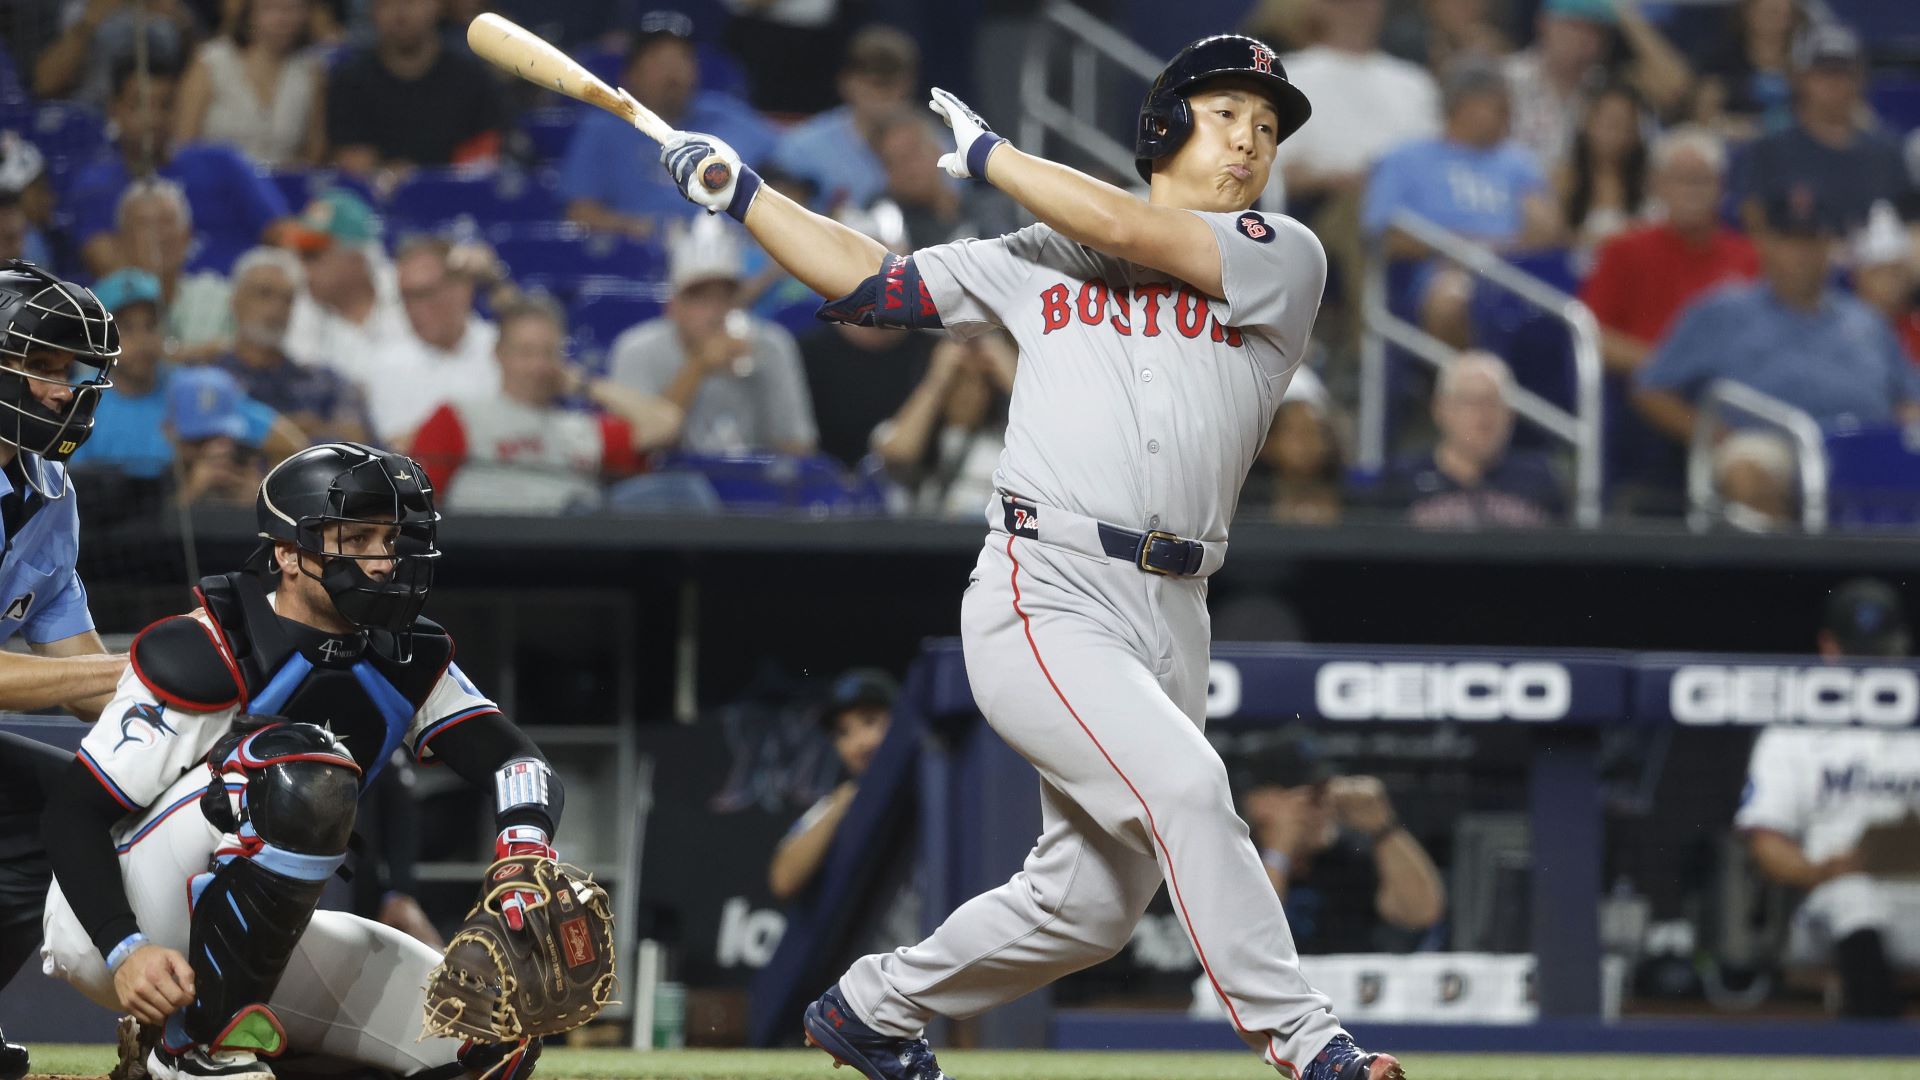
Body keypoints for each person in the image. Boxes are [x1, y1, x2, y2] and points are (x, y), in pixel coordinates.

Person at [658, 31, 1404, 1080]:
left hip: (1176, 604)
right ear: (1165, 125)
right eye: (1228, 114)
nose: (1250, 141)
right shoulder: (1038, 257)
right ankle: (1310, 1044)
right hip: (1045, 584)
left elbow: (1130, 226)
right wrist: (745, 196)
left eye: (1268, 127)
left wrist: (994, 161)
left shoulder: (1283, 252)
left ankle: (872, 1008)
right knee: (1188, 790)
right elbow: (875, 282)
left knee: (1094, 906)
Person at [38, 442, 565, 1080]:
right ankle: (196, 1050)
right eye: (358, 537)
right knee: (301, 764)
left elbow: (515, 760)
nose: (383, 557)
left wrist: (525, 847)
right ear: (288, 553)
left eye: (392, 538)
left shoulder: (407, 657)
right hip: (119, 917)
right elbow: (74, 811)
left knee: (492, 1033)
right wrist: (125, 948)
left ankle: (159, 1061)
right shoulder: (208, 645)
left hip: (254, 944)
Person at [0, 260, 143, 1079]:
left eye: (71, 370)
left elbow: (88, 675)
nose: (64, 390)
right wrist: (130, 673)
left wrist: (209, 723)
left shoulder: (47, 487)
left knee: (72, 805)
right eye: (43, 366)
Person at [1736, 578, 1920, 1017]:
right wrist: (1819, 870)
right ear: (1828, 647)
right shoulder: (1793, 731)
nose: (1871, 666)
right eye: (1859, 653)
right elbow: (1766, 843)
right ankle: (1879, 1045)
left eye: (1880, 652)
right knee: (1854, 894)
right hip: (1831, 904)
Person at [1634, 189, 1920, 448]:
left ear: (1830, 249)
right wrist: (1716, 435)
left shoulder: (1867, 320)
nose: (1801, 255)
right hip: (1768, 450)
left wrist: (1904, 424)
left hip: (1865, 450)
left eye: (1812, 242)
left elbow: (1910, 395)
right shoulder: (1721, 311)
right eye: (1790, 241)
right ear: (1765, 244)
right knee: (1750, 466)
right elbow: (1652, 389)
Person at [409, 294, 680, 513]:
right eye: (525, 352)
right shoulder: (459, 417)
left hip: (577, 545)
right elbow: (413, 502)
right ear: (499, 354)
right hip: (488, 552)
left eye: (548, 353)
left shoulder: (583, 429)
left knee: (681, 490)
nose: (538, 366)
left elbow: (666, 424)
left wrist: (586, 385)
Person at [1363, 61, 1557, 348]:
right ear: (1463, 105)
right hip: (1439, 269)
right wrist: (1458, 246)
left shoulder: (1518, 163)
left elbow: (1550, 234)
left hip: (1514, 269)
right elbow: (1381, 235)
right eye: (1499, 108)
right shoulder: (1404, 158)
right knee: (1452, 299)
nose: (1509, 118)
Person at [605, 217, 817, 456]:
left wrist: (758, 376)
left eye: (725, 297)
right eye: (700, 298)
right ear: (673, 307)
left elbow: (798, 448)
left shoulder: (772, 346)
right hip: (667, 482)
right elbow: (631, 449)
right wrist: (698, 367)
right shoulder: (636, 349)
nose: (716, 311)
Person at [68, 268, 300, 484]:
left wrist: (261, 491)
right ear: (99, 336)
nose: (142, 339)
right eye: (125, 327)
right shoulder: (79, 402)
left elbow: (290, 445)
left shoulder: (195, 387)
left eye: (151, 325)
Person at [65, 58, 294, 278]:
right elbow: (110, 268)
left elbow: (283, 234)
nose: (153, 118)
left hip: (243, 301)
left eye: (165, 105)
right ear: (114, 110)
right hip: (161, 307)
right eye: (139, 105)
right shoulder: (96, 184)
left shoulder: (222, 161)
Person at [558, 10, 775, 241]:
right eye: (658, 60)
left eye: (682, 58)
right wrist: (638, 228)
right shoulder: (603, 129)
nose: (673, 71)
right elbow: (579, 213)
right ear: (630, 74)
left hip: (727, 256)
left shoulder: (727, 115)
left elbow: (787, 170)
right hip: (638, 259)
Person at [1237, 732, 1444, 954]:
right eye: (1312, 798)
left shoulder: (1348, 857)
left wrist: (1384, 828)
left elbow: (1422, 914)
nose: (1323, 808)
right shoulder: (1238, 854)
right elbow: (1249, 939)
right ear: (1259, 803)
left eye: (1326, 793)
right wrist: (1280, 849)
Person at [1578, 126, 1758, 379]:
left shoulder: (1750, 256)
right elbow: (1591, 334)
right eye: (1679, 179)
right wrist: (1668, 366)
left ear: (1721, 188)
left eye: (1701, 180)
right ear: (1658, 186)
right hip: (1644, 388)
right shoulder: (1623, 250)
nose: (1691, 191)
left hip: (1731, 387)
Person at [1735, 24, 1912, 236]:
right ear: (1799, 79)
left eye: (1843, 73)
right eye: (1823, 72)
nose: (1833, 83)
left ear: (1860, 80)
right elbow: (1754, 222)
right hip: (1797, 262)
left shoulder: (1887, 152)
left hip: (1871, 263)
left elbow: (1911, 224)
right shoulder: (1769, 149)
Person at [346, 236, 500, 446]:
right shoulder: (384, 364)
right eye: (406, 297)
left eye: (425, 294)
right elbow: (395, 449)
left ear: (461, 289)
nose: (415, 309)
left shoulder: (502, 350)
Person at [326, 0, 507, 177]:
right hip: (374, 203)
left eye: (411, 2)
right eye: (387, 2)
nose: (400, 12)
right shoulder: (350, 82)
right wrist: (386, 175)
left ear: (438, 5)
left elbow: (486, 160)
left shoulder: (472, 80)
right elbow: (351, 162)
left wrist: (426, 182)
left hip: (457, 199)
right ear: (372, 9)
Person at [1383, 350, 1564, 528]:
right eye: (1471, 402)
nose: (1484, 416)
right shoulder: (1401, 480)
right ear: (1441, 410)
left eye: (1494, 403)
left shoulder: (1538, 481)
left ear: (1511, 414)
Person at [215, 246, 374, 445]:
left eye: (287, 299)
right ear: (235, 300)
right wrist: (294, 428)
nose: (277, 308)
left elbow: (360, 443)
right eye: (264, 294)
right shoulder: (212, 378)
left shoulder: (324, 383)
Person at [768, 669, 899, 903]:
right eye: (844, 732)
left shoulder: (937, 779)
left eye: (869, 721)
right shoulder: (840, 801)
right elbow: (783, 879)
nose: (859, 743)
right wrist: (842, 805)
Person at [771, 25, 921, 212]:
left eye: (893, 85)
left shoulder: (933, 145)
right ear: (847, 82)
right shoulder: (804, 147)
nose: (884, 96)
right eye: (875, 84)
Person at [871, 333, 1015, 519]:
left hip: (990, 540)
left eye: (979, 381)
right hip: (928, 543)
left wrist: (1006, 364)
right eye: (958, 379)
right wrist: (937, 379)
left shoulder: (1009, 441)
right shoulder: (909, 430)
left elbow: (1055, 443)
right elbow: (899, 453)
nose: (968, 393)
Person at [171, 0, 326, 167]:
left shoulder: (311, 70)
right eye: (271, 8)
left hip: (282, 183)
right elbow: (183, 143)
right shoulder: (210, 63)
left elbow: (314, 151)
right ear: (250, 12)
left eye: (293, 9)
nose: (283, 19)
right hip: (217, 181)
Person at [280, 189, 408, 376]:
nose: (302, 268)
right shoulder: (295, 307)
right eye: (299, 256)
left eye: (311, 256)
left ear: (357, 257)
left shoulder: (411, 294)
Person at [113, 178, 233, 356]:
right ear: (123, 240)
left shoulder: (220, 298)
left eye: (167, 222)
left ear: (187, 235)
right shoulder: (103, 306)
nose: (159, 235)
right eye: (145, 224)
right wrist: (196, 354)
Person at [1553, 82, 1649, 271]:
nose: (1616, 133)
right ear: (1588, 122)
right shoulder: (1563, 178)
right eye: (1610, 122)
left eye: (1626, 125)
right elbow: (1550, 241)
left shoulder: (1648, 183)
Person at [31, 0, 196, 108]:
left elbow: (201, 71)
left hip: (155, 120)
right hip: (90, 117)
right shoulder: (72, 9)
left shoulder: (168, 9)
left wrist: (181, 23)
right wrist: (90, 20)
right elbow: (44, 84)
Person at [1690, 0, 1806, 138]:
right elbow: (1703, 113)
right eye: (1768, 12)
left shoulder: (1807, 62)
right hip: (1734, 141)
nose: (1775, 21)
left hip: (1796, 143)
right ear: (1748, 13)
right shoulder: (1719, 61)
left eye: (1782, 14)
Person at [1244, 367, 1344, 526]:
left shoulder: (1352, 504)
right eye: (1294, 431)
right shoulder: (1242, 509)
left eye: (1313, 431)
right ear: (1268, 441)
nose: (1306, 443)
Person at [167, 366, 271, 506]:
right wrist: (192, 492)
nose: (214, 449)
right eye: (199, 441)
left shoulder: (244, 464)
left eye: (219, 437)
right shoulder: (158, 473)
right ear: (173, 435)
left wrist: (258, 502)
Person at [1848, 200, 1920, 366]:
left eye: (1896, 271)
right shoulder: (1842, 333)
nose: (1891, 282)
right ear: (1859, 279)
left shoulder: (1916, 328)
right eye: (1879, 273)